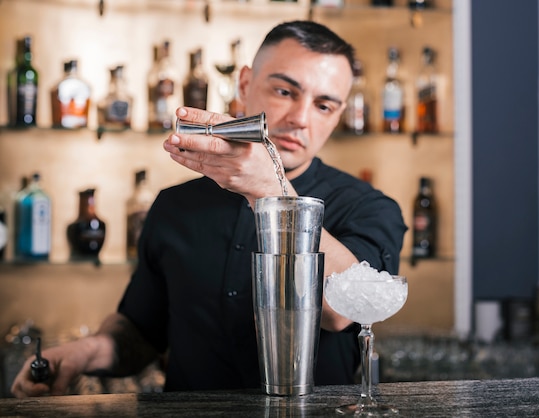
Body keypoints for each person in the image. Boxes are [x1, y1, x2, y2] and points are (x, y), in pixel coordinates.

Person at [11, 20, 407, 397]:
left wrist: (268, 190)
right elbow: (140, 333)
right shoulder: (174, 206)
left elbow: (344, 309)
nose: (300, 119)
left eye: (324, 106)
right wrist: (83, 354)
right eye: (285, 92)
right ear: (245, 84)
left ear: (339, 115)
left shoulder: (369, 208)